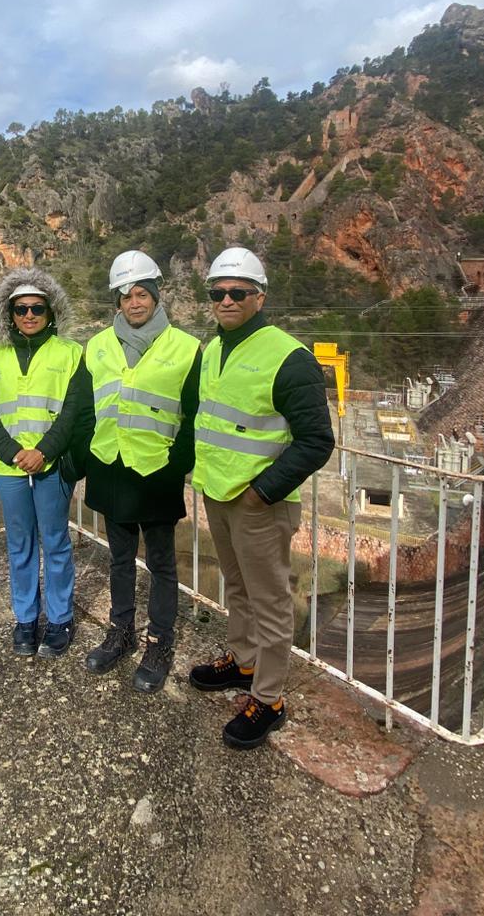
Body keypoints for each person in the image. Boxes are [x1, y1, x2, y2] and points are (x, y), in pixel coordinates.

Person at [188, 246, 334, 750]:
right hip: (217, 494)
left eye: (237, 292)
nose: (226, 300)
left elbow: (317, 441)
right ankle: (244, 662)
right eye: (217, 292)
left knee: (270, 601)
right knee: (237, 587)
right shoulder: (212, 350)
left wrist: (261, 492)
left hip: (259, 504)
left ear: (259, 295)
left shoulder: (289, 357)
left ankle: (268, 699)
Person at [80, 250, 201, 692]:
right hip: (111, 467)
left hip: (158, 472)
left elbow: (193, 417)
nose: (134, 303)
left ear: (155, 296)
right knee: (119, 558)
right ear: (117, 301)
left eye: (141, 294)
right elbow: (84, 410)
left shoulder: (186, 349)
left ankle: (159, 641)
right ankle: (121, 630)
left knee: (162, 563)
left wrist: (178, 466)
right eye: (126, 296)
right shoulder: (95, 346)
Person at [0, 267, 90, 658]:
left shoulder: (71, 353)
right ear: (9, 314)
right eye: (20, 309)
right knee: (19, 543)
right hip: (9, 469)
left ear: (51, 311)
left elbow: (73, 410)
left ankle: (59, 619)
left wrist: (44, 451)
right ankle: (26, 618)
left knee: (55, 541)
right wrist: (11, 453)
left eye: (36, 308)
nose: (28, 315)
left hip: (50, 465)